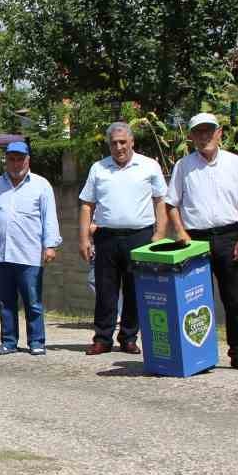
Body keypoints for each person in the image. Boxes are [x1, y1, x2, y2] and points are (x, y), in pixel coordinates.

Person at [166, 111, 238, 372]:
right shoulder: (183, 166)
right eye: (199, 132)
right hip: (195, 241)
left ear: (219, 133)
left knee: (235, 301)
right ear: (191, 136)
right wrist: (182, 234)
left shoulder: (235, 163)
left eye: (209, 131)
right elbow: (171, 204)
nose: (204, 136)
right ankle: (201, 355)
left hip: (229, 237)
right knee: (195, 301)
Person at [78, 121, 167, 356]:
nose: (119, 147)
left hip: (140, 236)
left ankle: (128, 337)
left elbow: (161, 201)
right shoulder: (98, 168)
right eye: (114, 143)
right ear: (109, 145)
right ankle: (102, 338)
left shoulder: (148, 166)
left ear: (132, 142)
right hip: (106, 237)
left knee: (134, 290)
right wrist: (84, 239)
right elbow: (87, 205)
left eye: (123, 142)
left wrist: (159, 235)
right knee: (105, 290)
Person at [0, 141, 60, 356]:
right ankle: (9, 342)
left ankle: (37, 341)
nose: (15, 163)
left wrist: (50, 245)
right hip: (1, 254)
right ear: (6, 161)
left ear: (28, 160)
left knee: (33, 302)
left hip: (29, 254)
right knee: (5, 303)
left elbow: (49, 217)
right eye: (11, 159)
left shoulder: (41, 185)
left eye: (19, 158)